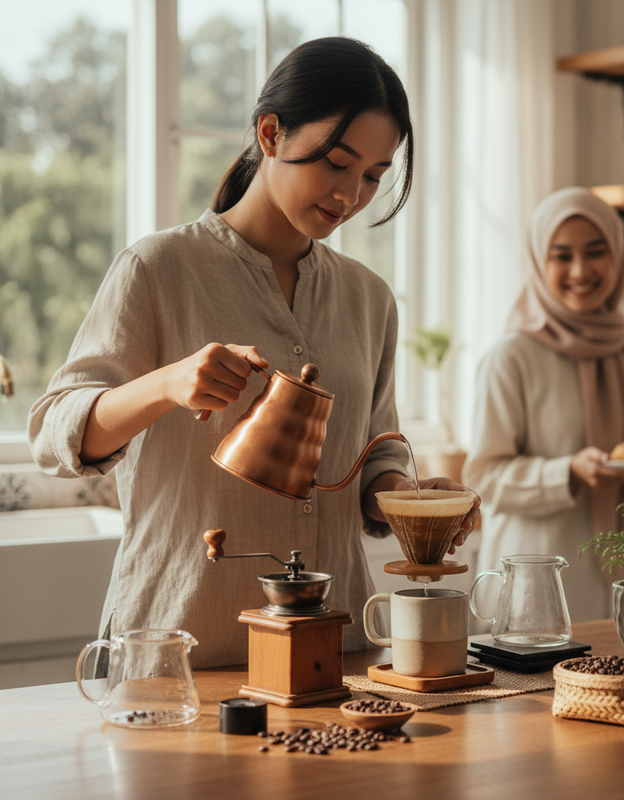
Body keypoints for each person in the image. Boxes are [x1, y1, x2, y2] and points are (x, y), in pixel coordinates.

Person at [28, 37, 479, 669]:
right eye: (335, 163)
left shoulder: (370, 298)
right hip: (182, 648)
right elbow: (53, 434)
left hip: (333, 650)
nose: (351, 194)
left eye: (374, 176)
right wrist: (167, 384)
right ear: (271, 133)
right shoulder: (158, 269)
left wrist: (412, 500)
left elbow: (376, 450)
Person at [463, 186, 624, 622]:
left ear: (617, 257)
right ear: (538, 262)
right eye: (561, 255)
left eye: (596, 251)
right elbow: (483, 479)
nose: (580, 270)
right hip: (533, 595)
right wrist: (566, 472)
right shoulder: (511, 359)